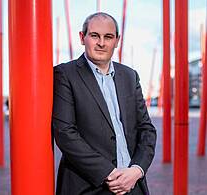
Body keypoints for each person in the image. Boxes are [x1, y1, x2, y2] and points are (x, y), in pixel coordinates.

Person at [52, 12, 156, 195]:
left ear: (117, 40)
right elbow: (65, 133)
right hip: (89, 186)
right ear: (82, 38)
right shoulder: (65, 74)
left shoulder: (130, 76)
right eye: (94, 35)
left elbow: (147, 129)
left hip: (133, 184)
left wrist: (136, 170)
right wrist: (110, 173)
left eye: (108, 37)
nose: (101, 43)